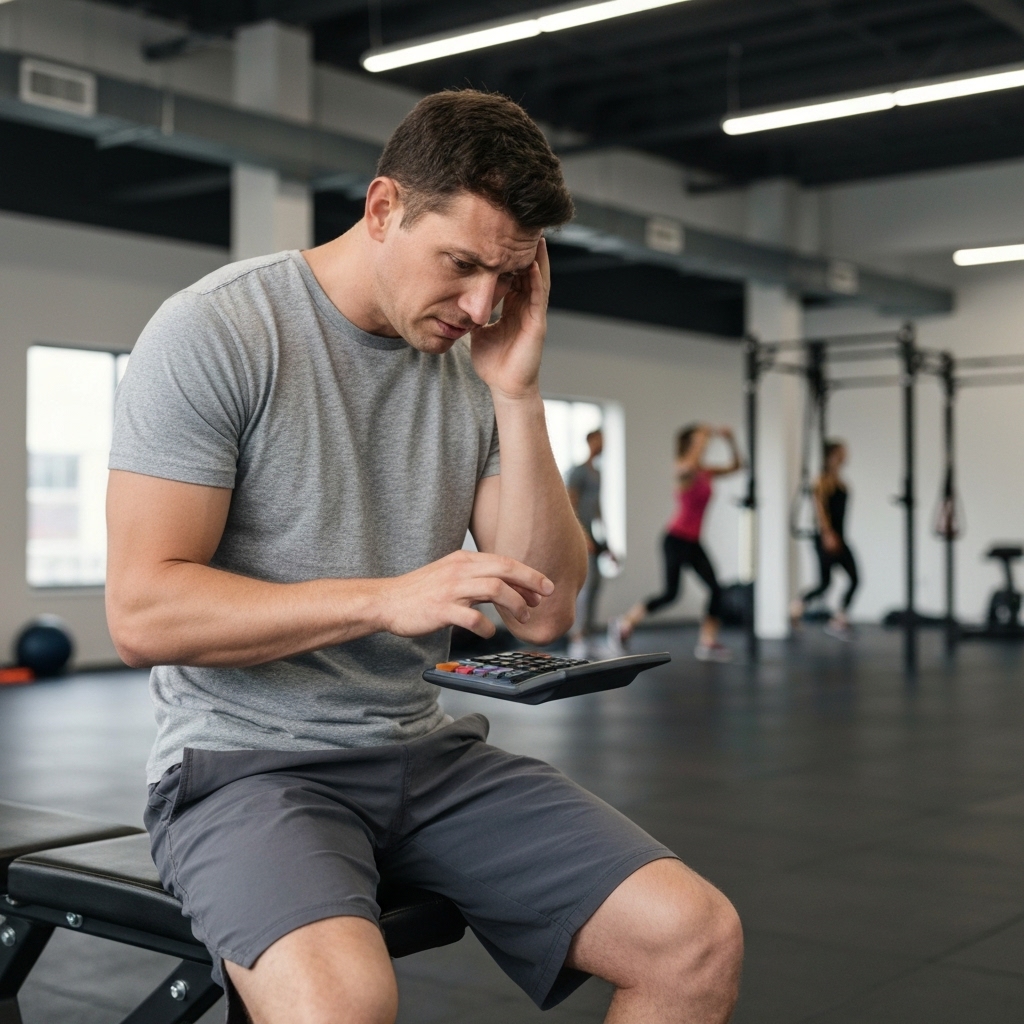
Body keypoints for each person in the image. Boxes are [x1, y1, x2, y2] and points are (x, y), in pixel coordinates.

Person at [105, 90, 742, 1024]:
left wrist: (518, 395)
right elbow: (142, 613)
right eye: (462, 264)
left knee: (694, 940)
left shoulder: (477, 362)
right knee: (343, 1007)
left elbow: (545, 610)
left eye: (508, 274)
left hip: (423, 755)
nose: (482, 302)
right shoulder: (220, 332)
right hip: (246, 765)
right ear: (382, 208)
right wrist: (384, 599)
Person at [610, 424, 742, 663]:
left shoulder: (705, 470)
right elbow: (683, 470)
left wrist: (731, 441)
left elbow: (737, 466)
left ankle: (707, 643)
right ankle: (625, 622)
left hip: (693, 541)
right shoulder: (685, 468)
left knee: (716, 589)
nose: (705, 442)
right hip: (675, 539)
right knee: (671, 594)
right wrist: (702, 438)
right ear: (690, 442)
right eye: (699, 439)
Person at [791, 439, 859, 640]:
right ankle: (797, 607)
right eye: (841, 452)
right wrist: (827, 533)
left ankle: (839, 619)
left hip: (840, 536)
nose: (845, 456)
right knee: (825, 584)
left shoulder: (840, 481)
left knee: (854, 578)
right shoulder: (821, 481)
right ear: (831, 456)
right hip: (826, 537)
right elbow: (819, 508)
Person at [566, 428, 609, 659]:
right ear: (590, 441)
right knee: (585, 584)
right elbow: (570, 504)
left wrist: (606, 540)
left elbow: (597, 507)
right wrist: (583, 536)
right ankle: (577, 637)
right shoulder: (577, 472)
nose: (603, 444)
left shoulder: (597, 473)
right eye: (600, 440)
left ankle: (589, 634)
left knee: (596, 585)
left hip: (593, 532)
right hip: (579, 533)